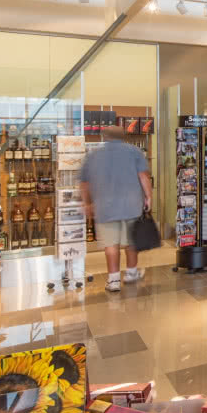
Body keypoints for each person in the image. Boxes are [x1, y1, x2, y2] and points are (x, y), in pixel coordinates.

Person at [80, 125, 152, 292]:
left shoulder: (94, 155)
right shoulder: (134, 151)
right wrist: (148, 197)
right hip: (131, 205)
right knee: (131, 242)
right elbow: (143, 176)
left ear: (104, 137)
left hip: (105, 207)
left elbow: (84, 182)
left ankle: (113, 280)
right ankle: (131, 273)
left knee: (111, 245)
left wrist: (86, 203)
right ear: (123, 136)